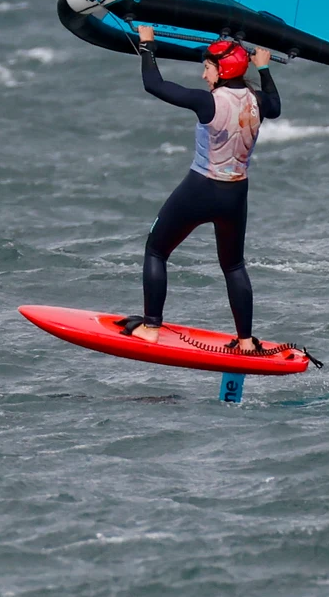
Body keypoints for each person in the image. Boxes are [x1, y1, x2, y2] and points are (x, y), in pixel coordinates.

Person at [120, 24, 281, 352]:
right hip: (236, 195)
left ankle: (151, 329)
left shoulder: (207, 103)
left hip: (201, 188)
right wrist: (264, 67)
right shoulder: (258, 102)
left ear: (222, 71)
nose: (203, 75)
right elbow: (276, 105)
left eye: (207, 68)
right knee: (233, 265)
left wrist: (147, 44)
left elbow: (154, 84)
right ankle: (247, 341)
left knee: (156, 250)